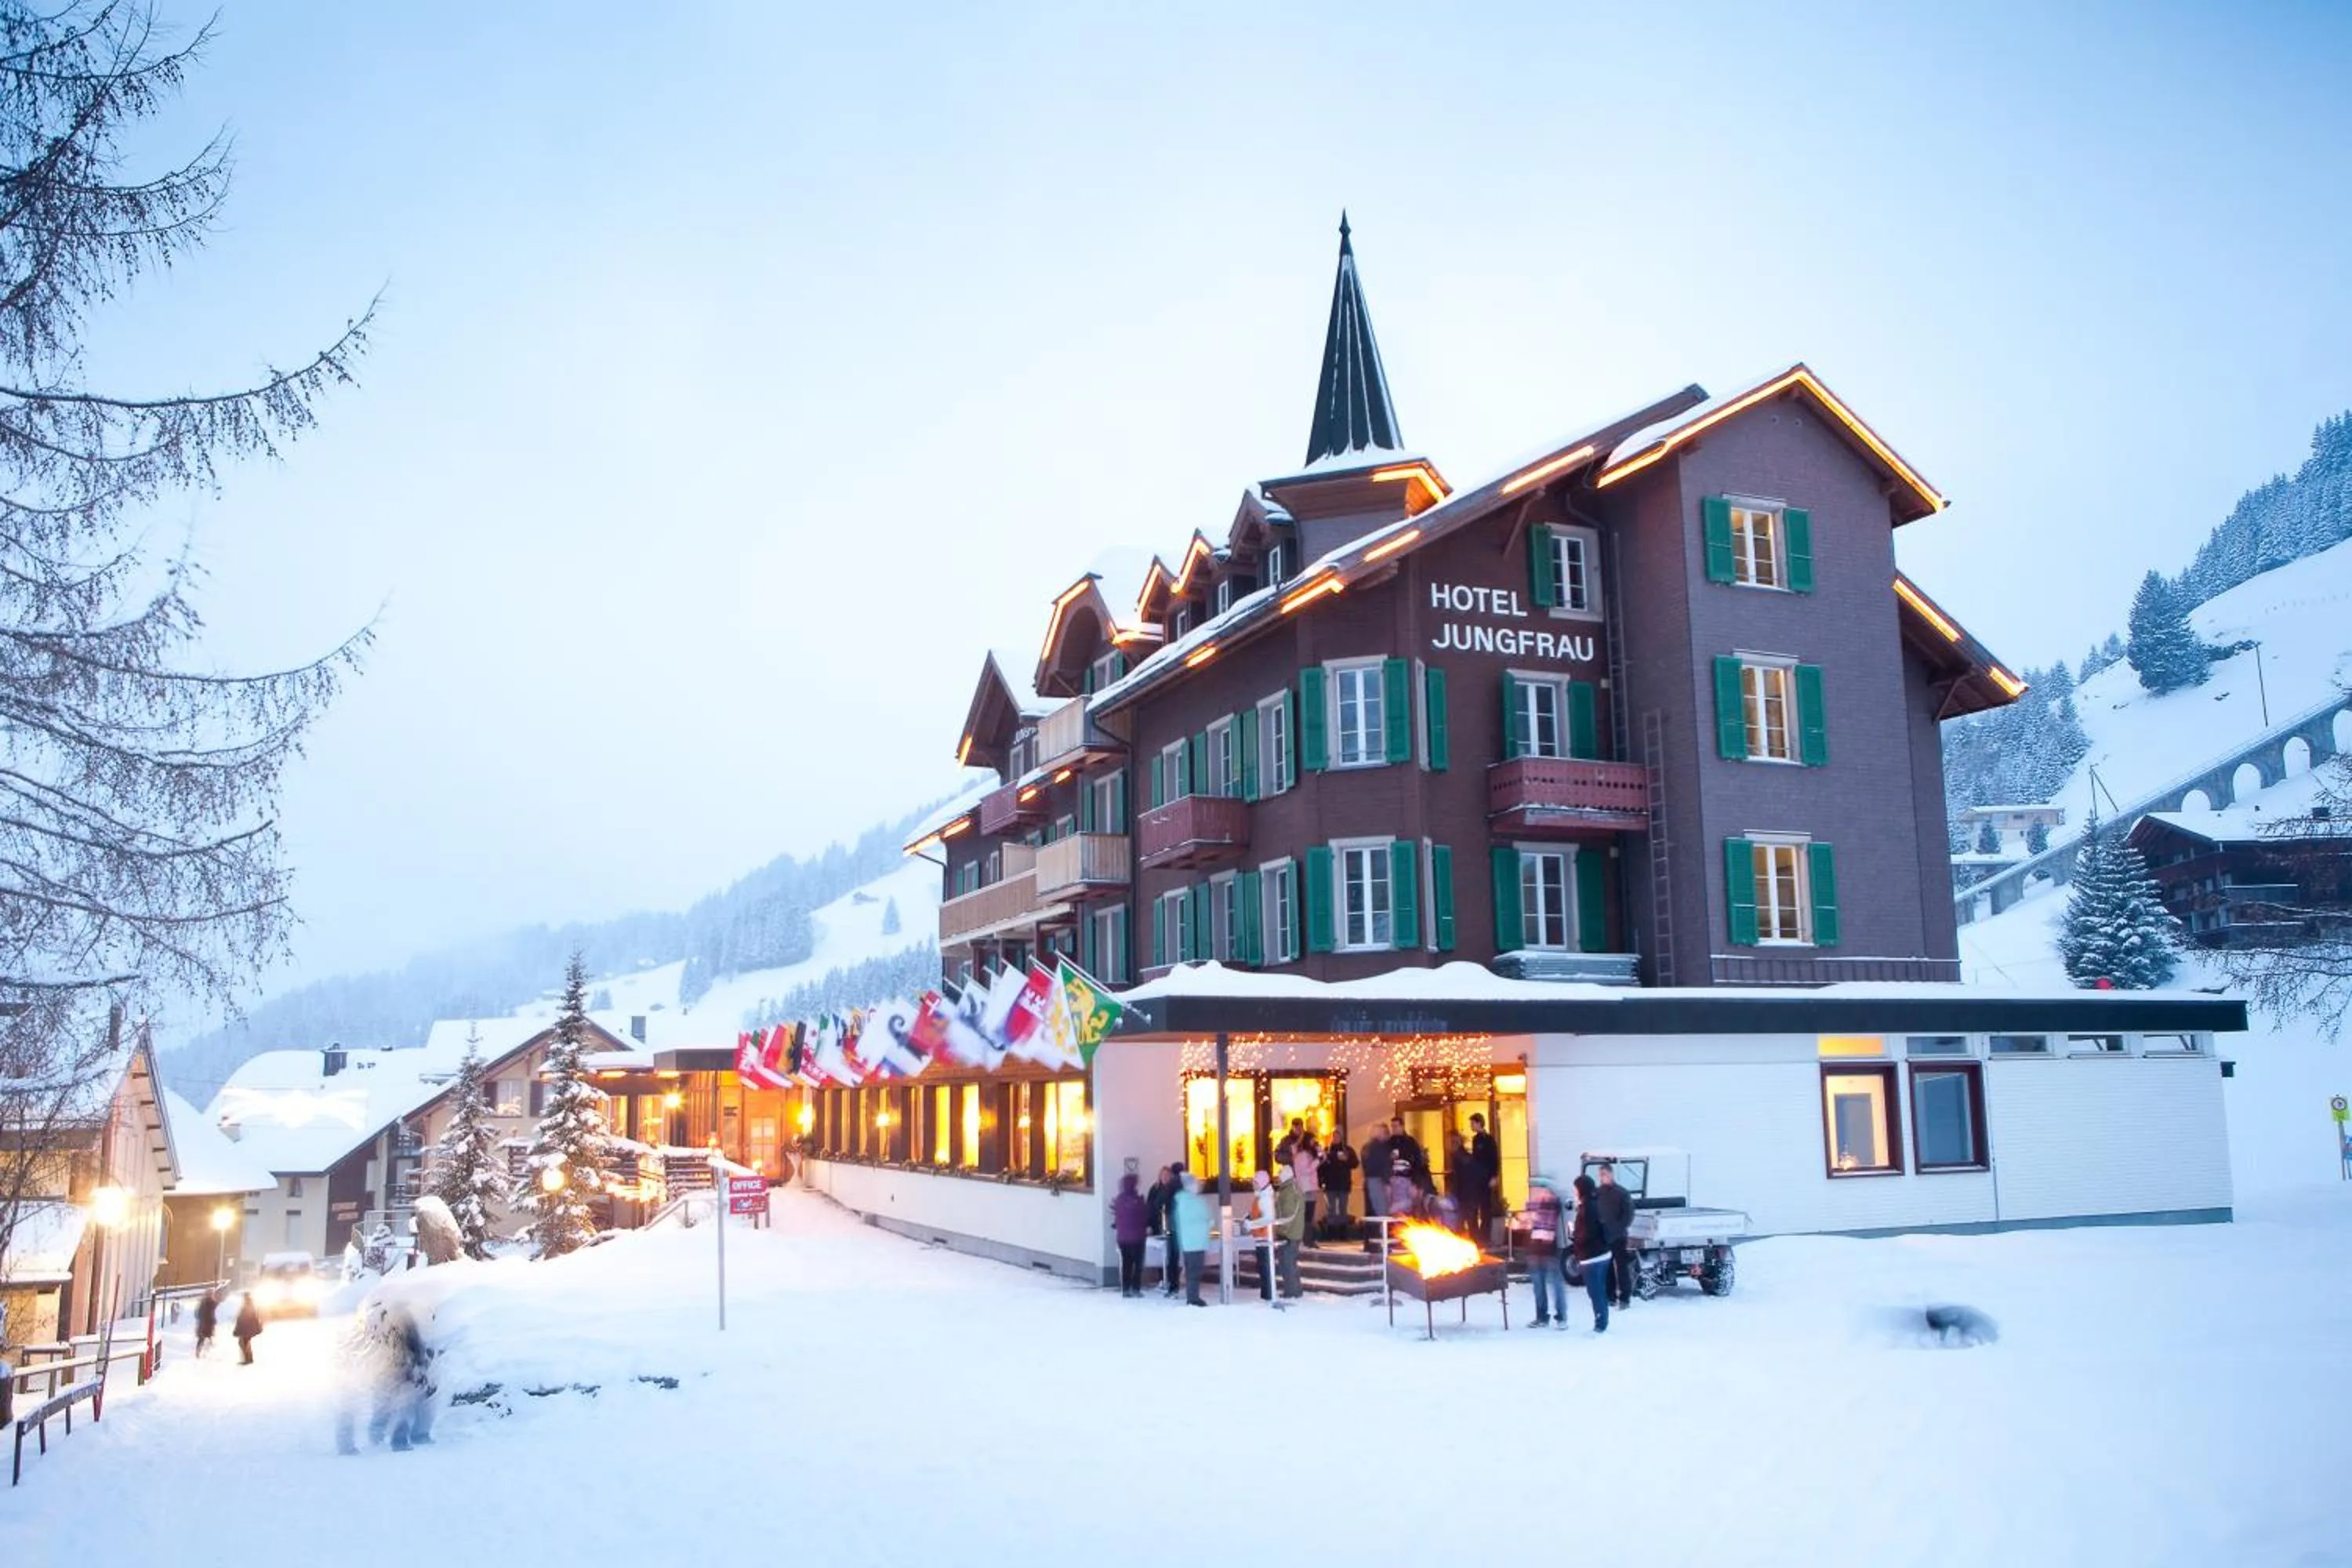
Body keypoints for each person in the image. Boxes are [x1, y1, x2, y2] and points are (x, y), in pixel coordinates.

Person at [1521, 1177, 1568, 1330]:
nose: (1537, 1192)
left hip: (1549, 1251)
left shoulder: (1551, 1204)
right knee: (1539, 1286)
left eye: (1540, 1189)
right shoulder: (1532, 1205)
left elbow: (1541, 1214)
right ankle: (1542, 1317)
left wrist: (1528, 1216)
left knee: (1556, 1285)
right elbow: (1527, 1222)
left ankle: (1561, 1317)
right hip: (1535, 1250)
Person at [1570, 1174, 1612, 1333]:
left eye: (1576, 1189)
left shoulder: (1587, 1208)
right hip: (1602, 1254)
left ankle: (1601, 1324)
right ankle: (1602, 1320)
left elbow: (1587, 1233)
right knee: (1599, 1290)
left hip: (1592, 1257)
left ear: (1582, 1189)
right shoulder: (1596, 1203)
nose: (1574, 1192)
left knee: (1595, 1292)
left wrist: (1576, 1239)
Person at [1593, 1162, 1638, 1310]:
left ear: (1611, 1174)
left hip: (1618, 1237)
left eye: (1604, 1174)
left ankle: (1625, 1298)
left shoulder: (1622, 1193)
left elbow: (1628, 1215)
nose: (1602, 1177)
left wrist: (1618, 1229)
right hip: (1603, 1237)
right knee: (1607, 1268)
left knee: (1621, 1267)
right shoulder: (1597, 1193)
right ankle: (1609, 1296)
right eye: (1600, 1175)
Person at [1171, 1171, 1210, 1306]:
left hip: (1187, 1242)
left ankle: (1192, 1296)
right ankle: (1193, 1298)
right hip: (1198, 1241)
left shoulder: (1180, 1201)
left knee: (1191, 1271)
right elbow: (1208, 1218)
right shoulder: (1196, 1202)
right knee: (1195, 1271)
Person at [1147, 1163, 1183, 1297]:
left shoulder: (1172, 1188)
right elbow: (1151, 1207)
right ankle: (1165, 1279)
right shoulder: (1158, 1189)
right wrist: (1149, 1224)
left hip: (1170, 1226)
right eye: (1163, 1175)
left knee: (1171, 1256)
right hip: (1163, 1225)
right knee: (1167, 1255)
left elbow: (1157, 1204)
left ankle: (1171, 1282)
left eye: (1167, 1175)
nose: (1165, 1178)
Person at [1112, 1171, 1150, 1298]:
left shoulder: (1119, 1200)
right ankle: (1135, 1288)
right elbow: (1144, 1217)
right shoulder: (1137, 1200)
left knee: (1126, 1264)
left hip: (1123, 1238)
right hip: (1138, 1238)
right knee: (1137, 1264)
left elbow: (1118, 1218)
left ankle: (1126, 1289)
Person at [1467, 1113, 1501, 1245]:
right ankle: (1477, 1236)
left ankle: (1485, 1236)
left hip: (1486, 1178)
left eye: (1472, 1123)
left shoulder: (1488, 1140)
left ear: (1479, 1123)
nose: (1471, 1126)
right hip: (1477, 1178)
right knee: (1476, 1207)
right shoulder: (1476, 1140)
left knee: (1485, 1208)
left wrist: (1494, 1176)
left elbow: (1494, 1159)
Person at [1272, 1166, 1305, 1300]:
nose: (1278, 1176)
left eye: (1280, 1174)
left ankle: (1292, 1291)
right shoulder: (1287, 1189)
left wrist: (1282, 1230)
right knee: (1289, 1262)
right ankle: (1294, 1289)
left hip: (1290, 1233)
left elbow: (1289, 1214)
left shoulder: (1289, 1191)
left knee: (1287, 1262)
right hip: (1291, 1232)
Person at [1245, 1168, 1278, 1301]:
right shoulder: (1260, 1196)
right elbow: (1258, 1213)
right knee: (1263, 1267)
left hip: (1265, 1237)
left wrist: (1252, 1224)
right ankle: (1266, 1295)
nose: (1253, 1184)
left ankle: (1268, 1295)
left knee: (1265, 1268)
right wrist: (1249, 1217)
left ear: (1261, 1183)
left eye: (1255, 1182)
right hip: (1261, 1237)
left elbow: (1268, 1218)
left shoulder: (1265, 1198)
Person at [1319, 1130, 1357, 1239]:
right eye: (1334, 1136)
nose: (1335, 1138)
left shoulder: (1348, 1150)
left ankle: (1342, 1234)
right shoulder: (1327, 1150)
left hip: (1343, 1184)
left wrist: (1346, 1160)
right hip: (1330, 1184)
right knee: (1330, 1209)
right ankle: (1331, 1233)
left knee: (1343, 1209)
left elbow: (1355, 1164)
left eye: (1338, 1136)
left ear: (1342, 1138)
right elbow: (1321, 1168)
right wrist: (1322, 1181)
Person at [1360, 1121, 1393, 1228]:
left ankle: (1371, 1238)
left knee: (1372, 1210)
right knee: (1382, 1210)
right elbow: (1384, 1165)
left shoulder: (1366, 1147)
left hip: (1369, 1180)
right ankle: (1383, 1235)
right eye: (1384, 1132)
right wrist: (1388, 1182)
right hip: (1378, 1180)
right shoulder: (1380, 1147)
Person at [1290, 1131, 1321, 1240]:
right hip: (1306, 1187)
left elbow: (1322, 1159)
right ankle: (1307, 1239)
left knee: (1309, 1215)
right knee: (1308, 1215)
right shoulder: (1302, 1155)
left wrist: (1319, 1154)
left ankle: (1308, 1239)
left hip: (1310, 1187)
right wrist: (1317, 1161)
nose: (1314, 1142)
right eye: (1312, 1140)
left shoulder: (1306, 1154)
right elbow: (1306, 1171)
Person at [233, 1290, 263, 1365]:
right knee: (245, 1343)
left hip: (246, 1329)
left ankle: (247, 1359)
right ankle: (249, 1359)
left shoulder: (248, 1305)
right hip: (246, 1329)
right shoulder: (249, 1304)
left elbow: (246, 1318)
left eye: (245, 1296)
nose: (244, 1298)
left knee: (243, 1343)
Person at [194, 1287, 220, 1357]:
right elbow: (211, 1311)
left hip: (203, 1324)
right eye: (212, 1294)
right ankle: (202, 1353)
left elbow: (197, 1314)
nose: (212, 1295)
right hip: (207, 1324)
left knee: (203, 1338)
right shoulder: (210, 1302)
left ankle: (200, 1352)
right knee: (206, 1338)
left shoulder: (203, 1302)